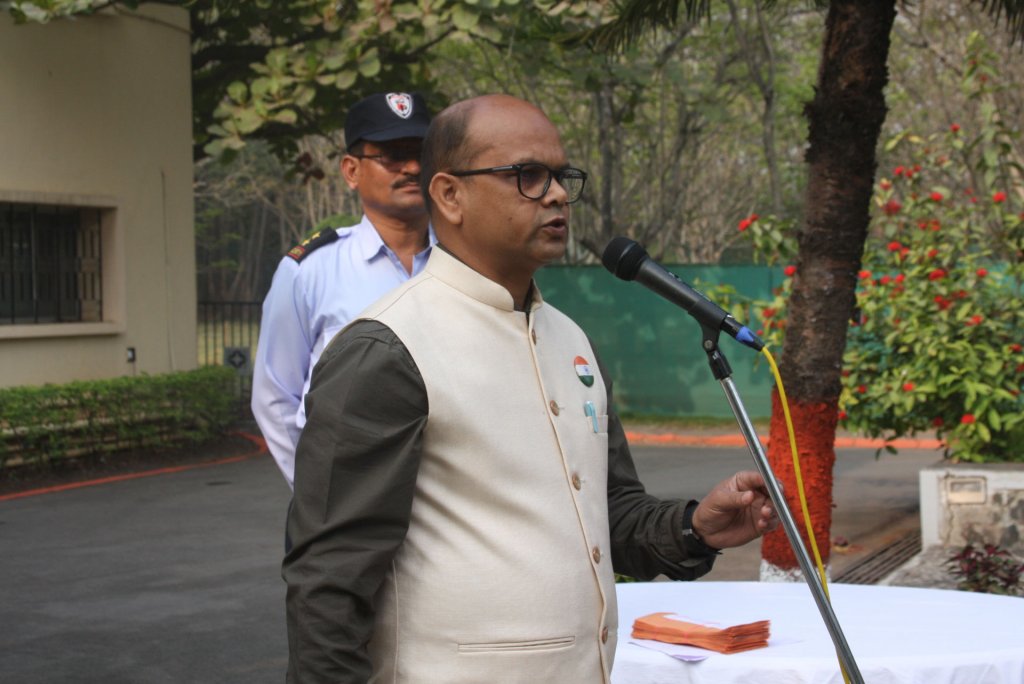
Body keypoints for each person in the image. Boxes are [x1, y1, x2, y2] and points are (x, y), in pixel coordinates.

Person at [283, 94, 778, 683]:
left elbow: (608, 513)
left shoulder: (570, 340)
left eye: (562, 176)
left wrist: (695, 527)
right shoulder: (387, 348)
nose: (557, 194)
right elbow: (329, 582)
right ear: (450, 195)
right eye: (528, 175)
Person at [251, 92, 435, 489]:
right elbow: (274, 397)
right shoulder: (310, 271)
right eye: (393, 155)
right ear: (351, 171)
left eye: (422, 153)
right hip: (353, 497)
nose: (413, 167)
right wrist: (319, 497)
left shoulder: (467, 262)